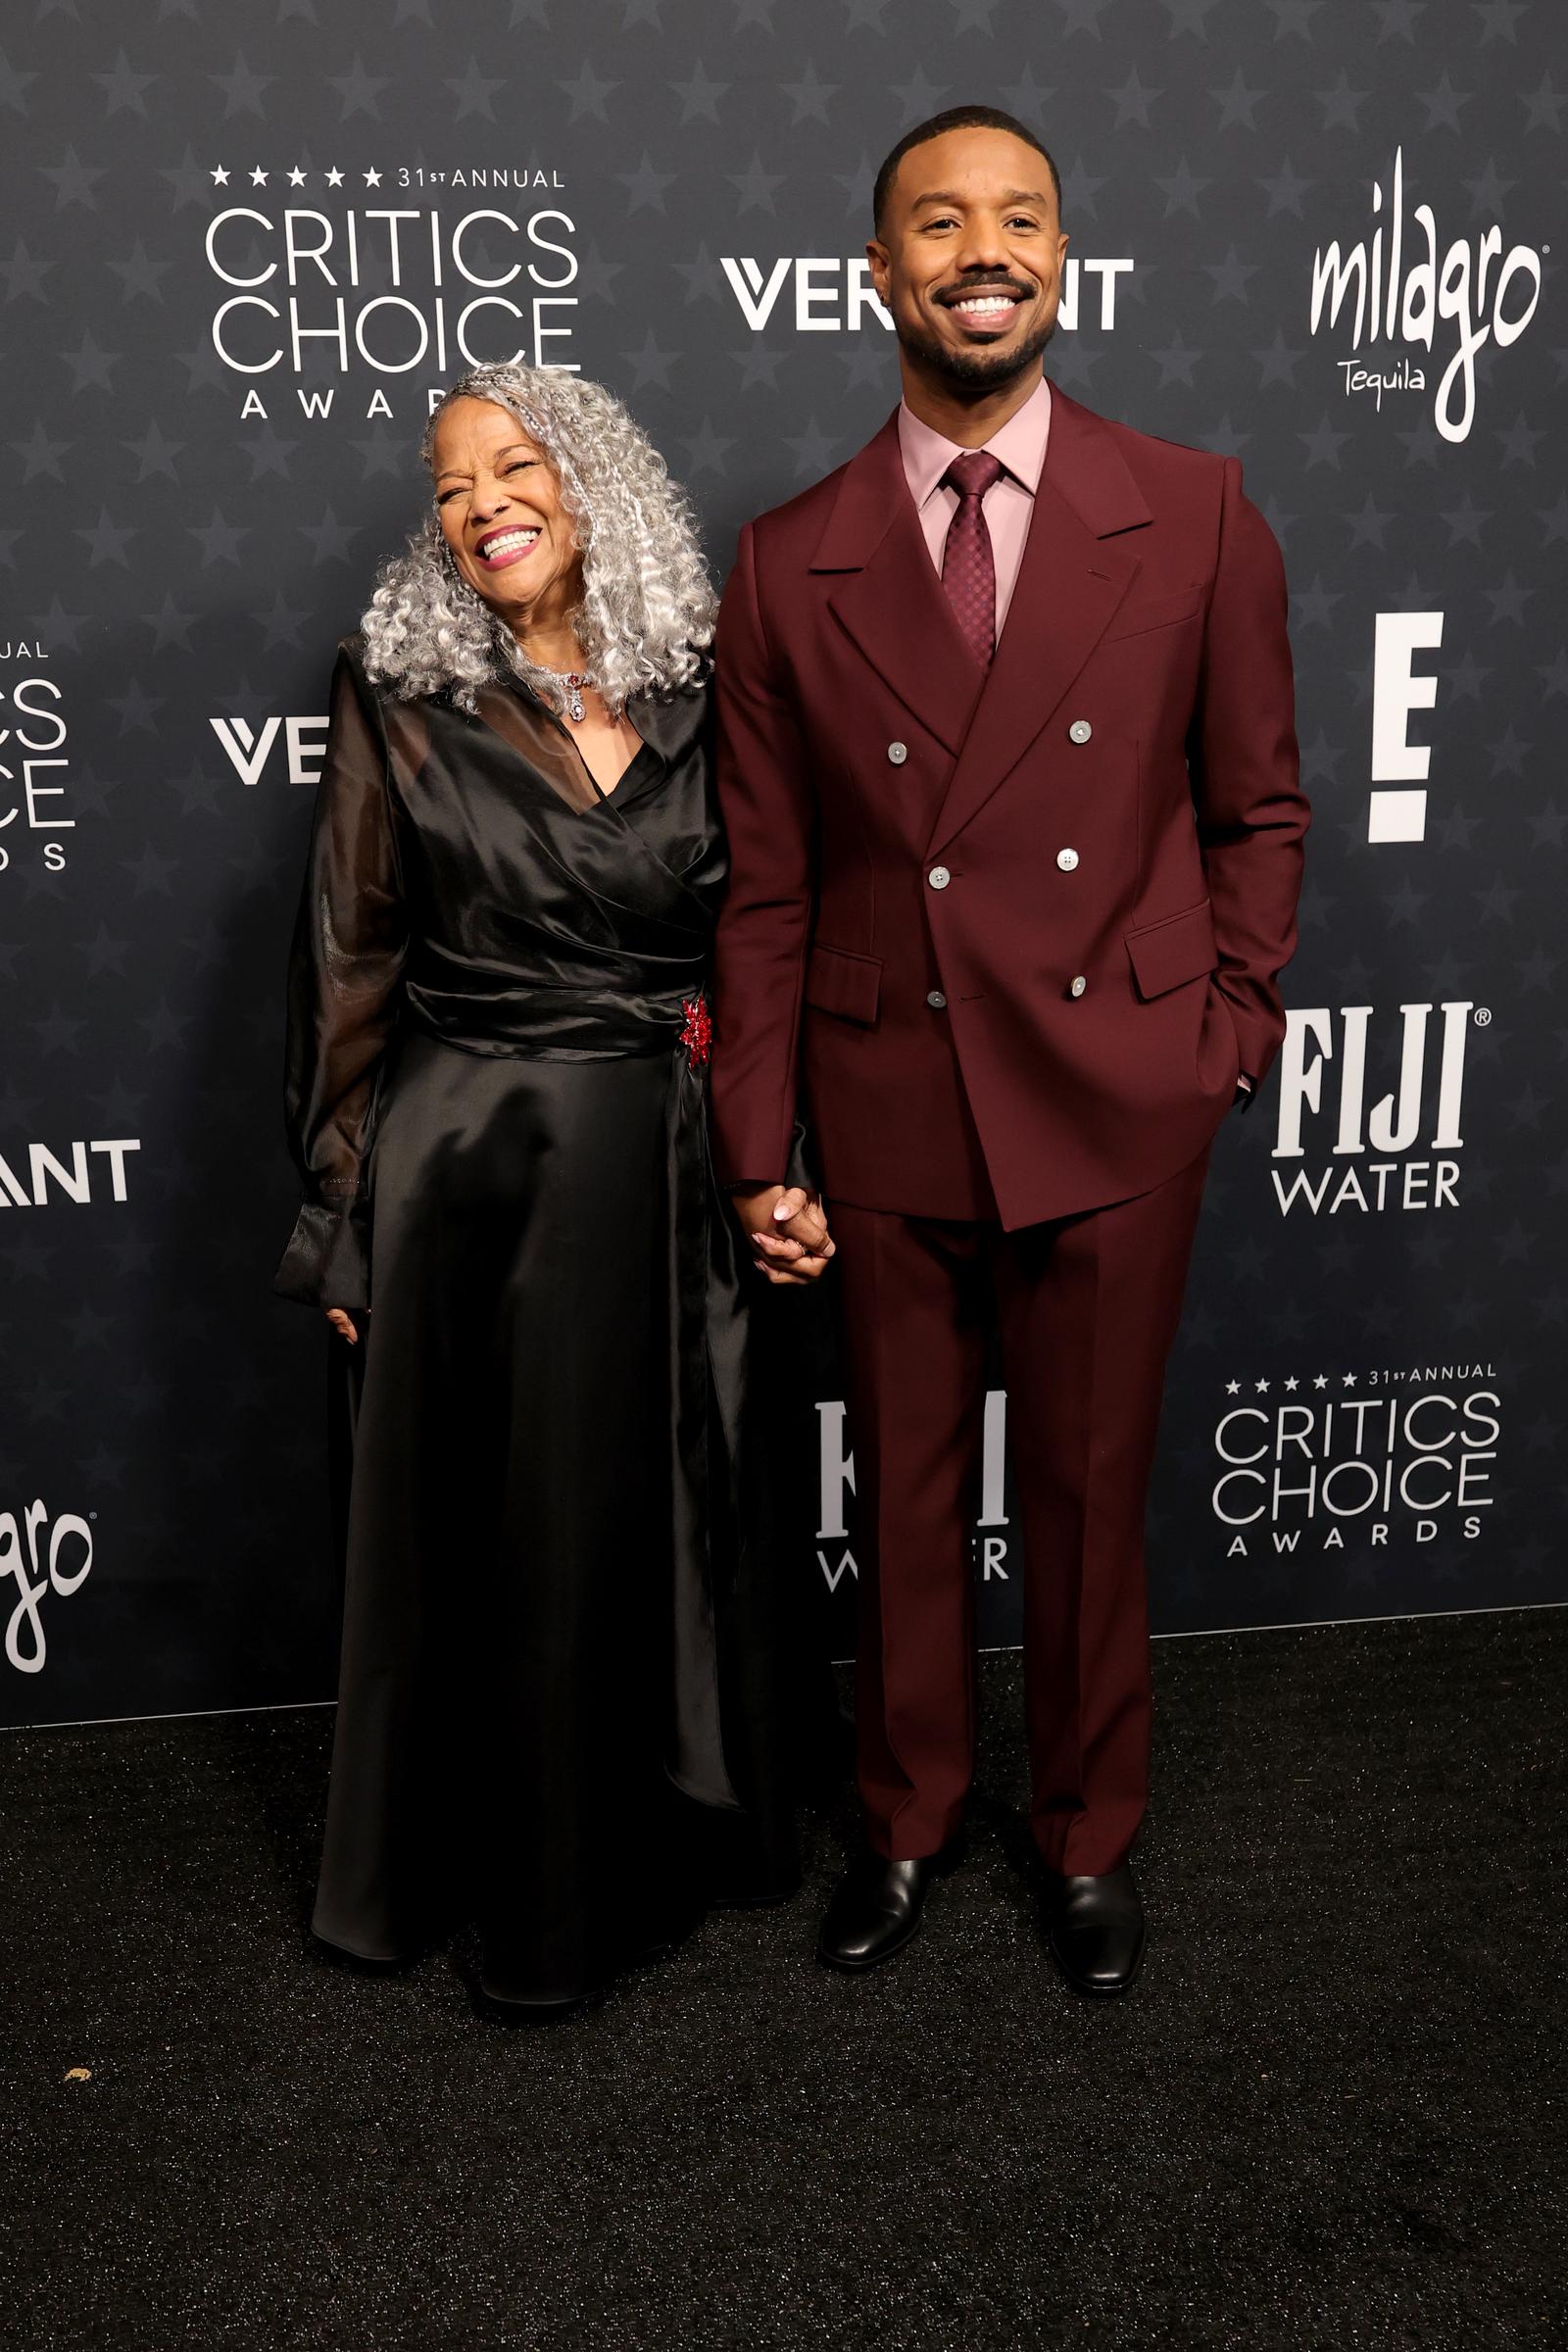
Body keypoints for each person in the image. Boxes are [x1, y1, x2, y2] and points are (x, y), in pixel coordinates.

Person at [710, 107, 1309, 1994]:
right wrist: (758, 1142)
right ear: (876, 273)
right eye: (941, 221)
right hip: (890, 1098)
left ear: (1063, 260)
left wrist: (1226, 1032)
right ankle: (902, 1820)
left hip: (1123, 1096)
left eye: (1022, 219)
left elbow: (1260, 813)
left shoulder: (1195, 507)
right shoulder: (789, 556)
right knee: (897, 1496)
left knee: (1084, 1490)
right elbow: (767, 893)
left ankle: (1083, 1834)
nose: (987, 247)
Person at [273, 362, 812, 2016]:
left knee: (659, 1516)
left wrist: (769, 1157)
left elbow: (770, 935)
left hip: (662, 1158)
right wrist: (342, 1204)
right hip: (469, 1169)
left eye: (516, 465)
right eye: (449, 484)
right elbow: (349, 962)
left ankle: (660, 1843)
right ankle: (512, 1891)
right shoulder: (399, 691)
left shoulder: (713, 687)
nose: (482, 501)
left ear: (597, 485)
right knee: (502, 1539)